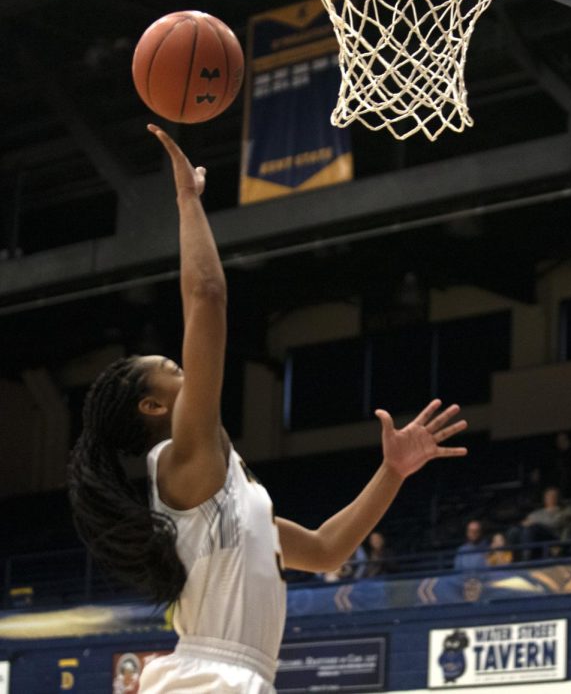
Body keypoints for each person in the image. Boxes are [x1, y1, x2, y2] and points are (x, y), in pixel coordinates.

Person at [67, 125, 468, 694]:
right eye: (175, 370)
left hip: (234, 678)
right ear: (154, 406)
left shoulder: (230, 496)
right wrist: (187, 202)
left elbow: (329, 549)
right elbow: (207, 296)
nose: (190, 370)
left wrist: (393, 471)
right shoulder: (181, 463)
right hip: (209, 677)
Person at [508, 485, 571, 560]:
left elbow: (554, 522)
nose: (550, 497)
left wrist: (535, 521)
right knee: (514, 530)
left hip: (553, 537)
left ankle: (526, 559)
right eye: (548, 495)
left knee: (531, 528)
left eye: (553, 495)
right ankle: (512, 558)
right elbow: (526, 522)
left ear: (558, 497)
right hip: (537, 536)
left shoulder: (565, 511)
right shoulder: (538, 513)